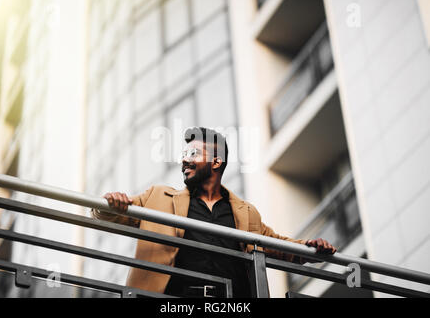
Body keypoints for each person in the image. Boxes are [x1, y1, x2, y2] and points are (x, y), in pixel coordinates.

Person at [91, 127, 336, 297]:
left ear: (216, 162)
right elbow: (110, 215)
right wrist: (111, 203)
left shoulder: (246, 212)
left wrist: (310, 249)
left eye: (193, 154)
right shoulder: (159, 197)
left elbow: (278, 246)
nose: (184, 161)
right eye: (184, 155)